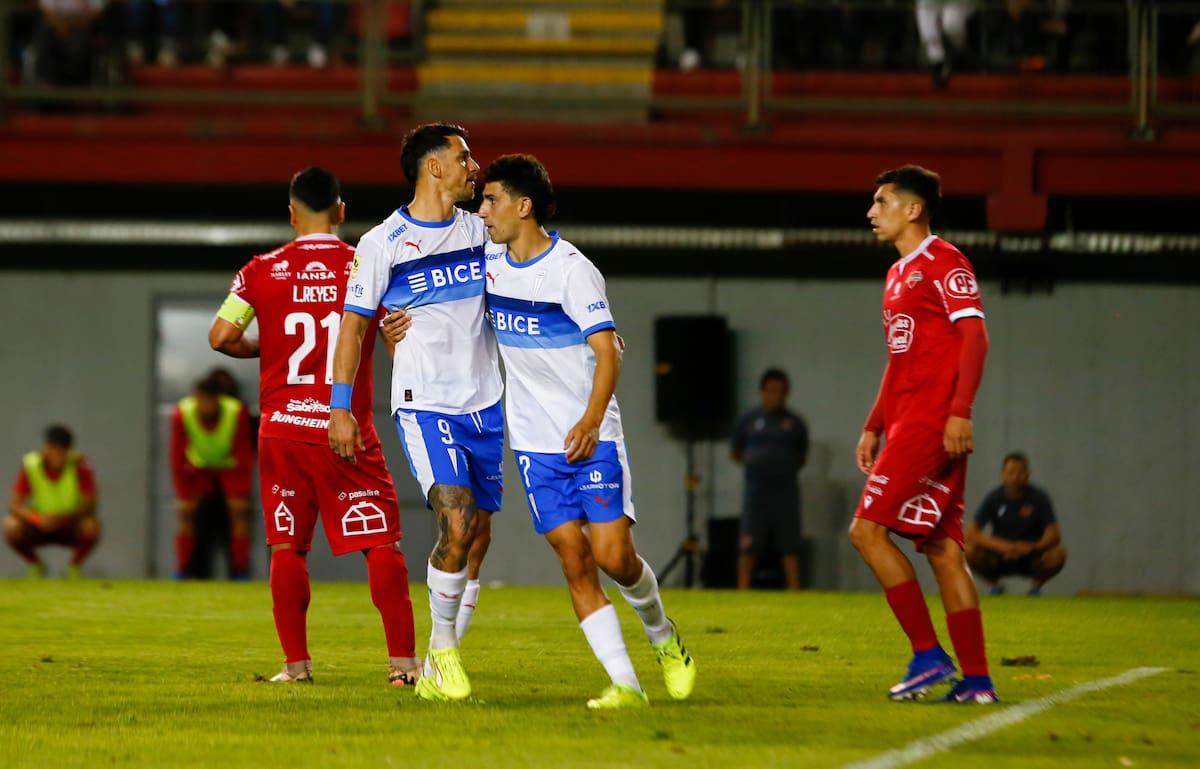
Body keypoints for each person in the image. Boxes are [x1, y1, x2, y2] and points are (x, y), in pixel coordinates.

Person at [477, 153, 696, 709]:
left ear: (523, 207)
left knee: (613, 556)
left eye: (491, 200)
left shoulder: (572, 270)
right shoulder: (488, 262)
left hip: (590, 435)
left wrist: (592, 420)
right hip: (532, 442)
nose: (482, 212)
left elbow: (608, 352)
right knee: (573, 558)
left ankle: (664, 637)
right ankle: (625, 684)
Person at [208, 166, 421, 686]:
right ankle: (403, 667)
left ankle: (296, 667)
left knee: (287, 547)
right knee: (381, 545)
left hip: (280, 431)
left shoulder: (261, 269)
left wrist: (264, 348)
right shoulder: (365, 265)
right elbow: (399, 334)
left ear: (291, 214)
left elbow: (220, 336)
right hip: (342, 428)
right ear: (342, 212)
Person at [330, 123, 500, 702]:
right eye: (464, 157)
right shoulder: (382, 243)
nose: (474, 166)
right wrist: (340, 409)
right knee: (455, 519)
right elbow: (354, 326)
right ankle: (447, 658)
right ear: (434, 169)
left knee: (476, 535)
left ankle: (435, 660)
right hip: (424, 403)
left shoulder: (483, 231)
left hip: (485, 401)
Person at [849, 164, 997, 704]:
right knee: (940, 548)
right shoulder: (895, 275)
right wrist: (874, 425)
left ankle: (928, 655)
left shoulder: (945, 262)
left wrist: (961, 411)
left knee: (866, 532)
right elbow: (898, 359)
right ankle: (978, 682)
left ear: (913, 209)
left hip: (934, 424)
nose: (871, 212)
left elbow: (975, 338)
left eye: (882, 201)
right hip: (909, 422)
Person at [731, 367, 809, 591]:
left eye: (780, 391)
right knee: (748, 545)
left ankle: (795, 591)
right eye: (771, 390)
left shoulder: (794, 423)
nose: (775, 395)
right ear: (762, 391)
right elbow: (736, 452)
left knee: (789, 546)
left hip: (786, 494)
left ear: (786, 393)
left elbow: (802, 455)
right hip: (756, 493)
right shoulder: (749, 420)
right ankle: (742, 591)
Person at [169, 373, 254, 579]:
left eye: (210, 401)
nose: (206, 406)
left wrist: (240, 491)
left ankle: (240, 570)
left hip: (230, 468)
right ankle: (183, 568)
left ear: (218, 399)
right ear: (196, 396)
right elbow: (176, 454)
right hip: (197, 470)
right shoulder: (183, 412)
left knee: (238, 511)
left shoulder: (236, 411)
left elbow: (244, 452)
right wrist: (184, 492)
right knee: (185, 511)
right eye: (202, 399)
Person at [965, 452, 1066, 596]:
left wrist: (1031, 548)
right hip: (999, 556)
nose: (1015, 476)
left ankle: (1035, 588)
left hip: (1030, 556)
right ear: (1003, 474)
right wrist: (1002, 546)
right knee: (967, 551)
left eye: (1020, 472)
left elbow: (1054, 534)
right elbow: (971, 533)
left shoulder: (1039, 498)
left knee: (1058, 555)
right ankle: (995, 586)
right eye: (1011, 472)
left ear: (1028, 474)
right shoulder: (993, 498)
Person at [5, 425, 100, 578]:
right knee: (10, 525)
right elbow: (15, 504)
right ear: (45, 447)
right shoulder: (31, 464)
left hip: (69, 523)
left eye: (60, 452)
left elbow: (90, 503)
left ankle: (73, 568)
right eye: (52, 450)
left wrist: (63, 518)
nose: (55, 456)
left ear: (68, 452)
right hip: (38, 523)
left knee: (91, 526)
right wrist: (37, 518)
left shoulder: (80, 464)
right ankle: (36, 565)